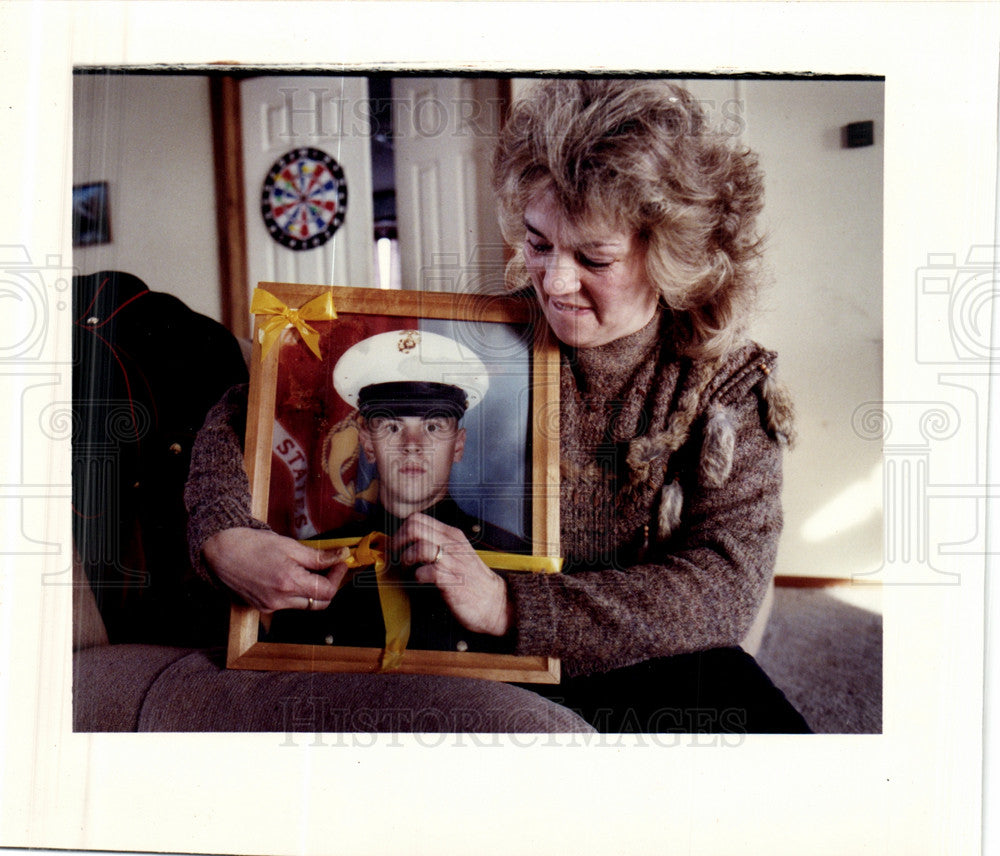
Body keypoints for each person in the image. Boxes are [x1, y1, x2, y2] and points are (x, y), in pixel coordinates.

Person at [185, 78, 809, 732]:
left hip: (626, 656)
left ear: (672, 255)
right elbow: (243, 411)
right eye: (539, 244)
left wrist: (513, 606)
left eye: (594, 257)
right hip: (464, 660)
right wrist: (222, 534)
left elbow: (724, 589)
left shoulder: (727, 382)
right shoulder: (483, 333)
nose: (556, 283)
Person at [265, 329, 528, 653]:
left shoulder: (510, 564)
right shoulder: (318, 562)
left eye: (432, 427)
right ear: (367, 443)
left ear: (458, 445)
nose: (412, 446)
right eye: (392, 427)